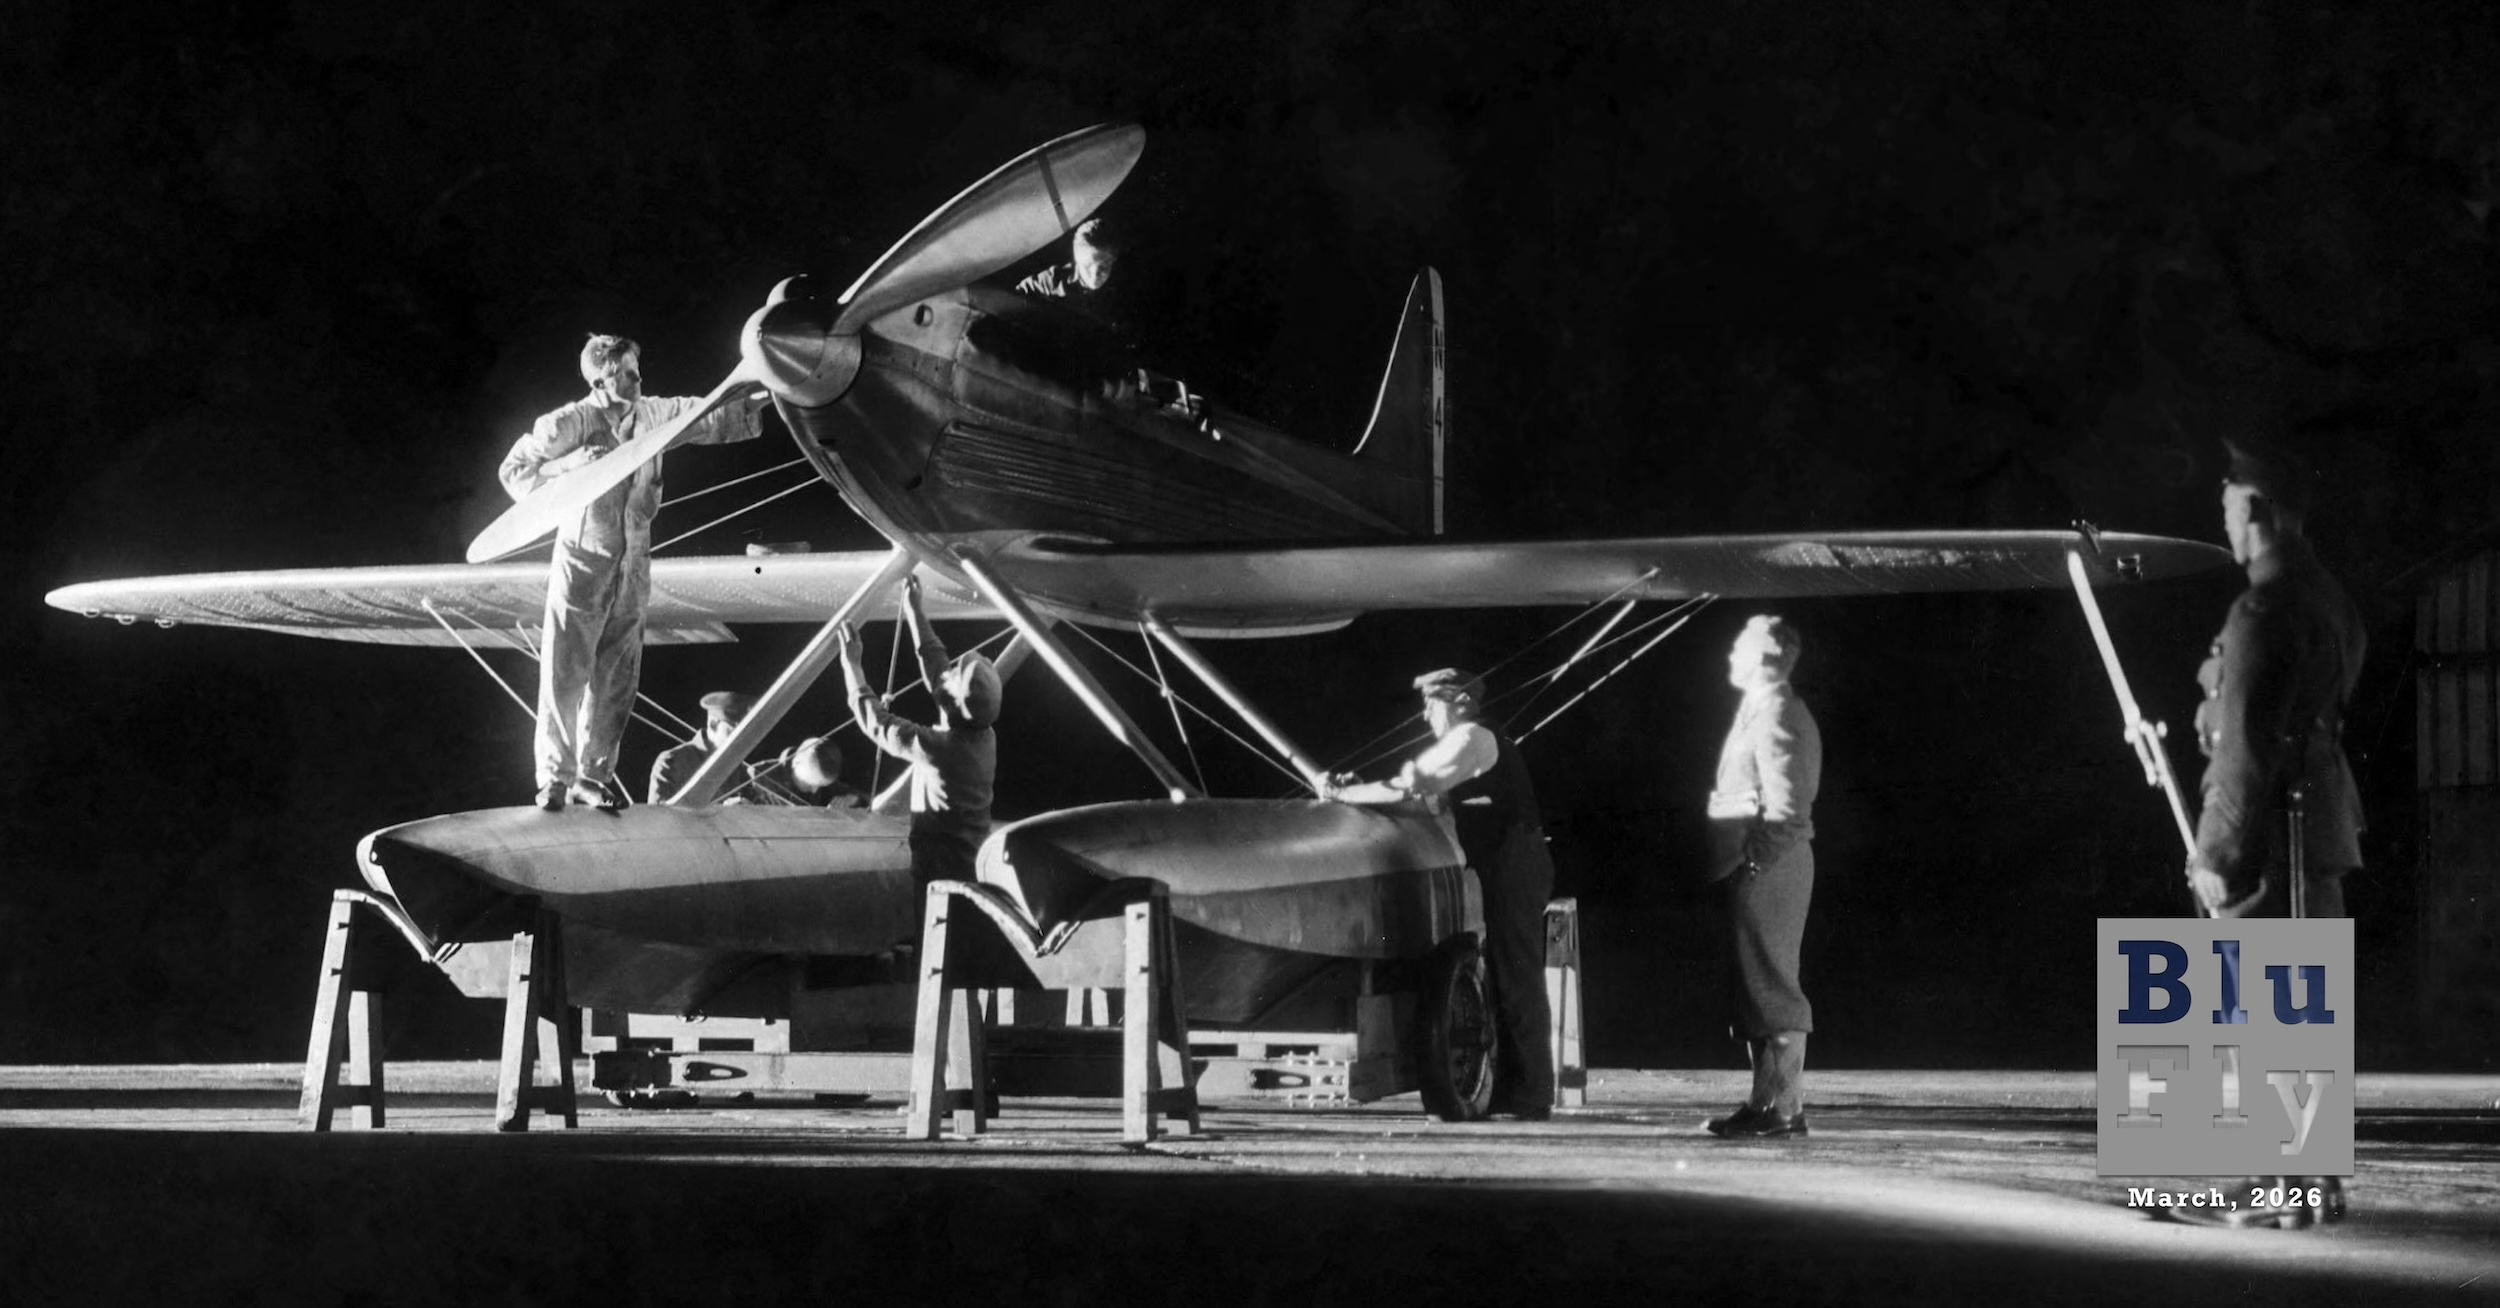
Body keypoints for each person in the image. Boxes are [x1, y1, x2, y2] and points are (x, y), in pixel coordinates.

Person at [2162, 437, 2365, 1231]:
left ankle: (2273, 1185)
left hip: (2270, 836)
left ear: (2256, 511)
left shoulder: (2263, 609)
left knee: (2258, 1012)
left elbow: (2247, 745)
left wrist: (2214, 849)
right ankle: (2312, 1181)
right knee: (2306, 1013)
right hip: (2320, 829)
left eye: (2228, 507)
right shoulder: (2332, 600)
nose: (2225, 520)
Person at [500, 334, 769, 811]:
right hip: (583, 563)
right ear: (600, 380)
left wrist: (767, 390)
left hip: (635, 564)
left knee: (618, 679)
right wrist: (563, 466)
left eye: (638, 371)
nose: (639, 381)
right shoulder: (569, 422)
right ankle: (554, 779)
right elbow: (514, 471)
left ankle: (592, 775)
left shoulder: (653, 415)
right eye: (627, 374)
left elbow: (704, 413)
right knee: (566, 673)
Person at [1331, 669, 1557, 1120]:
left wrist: (1341, 793)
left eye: (1433, 704)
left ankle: (1532, 1093)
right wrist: (1360, 792)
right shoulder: (1473, 741)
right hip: (1508, 863)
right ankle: (1520, 1089)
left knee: (1517, 974)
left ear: (1461, 702)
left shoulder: (1471, 737)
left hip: (1515, 864)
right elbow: (1425, 800)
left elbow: (1415, 786)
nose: (1425, 714)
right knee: (1509, 974)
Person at [1700, 615, 1822, 1140]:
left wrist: (1754, 861)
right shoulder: (1759, 710)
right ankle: (1764, 1103)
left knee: (1773, 987)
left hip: (1772, 865)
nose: (1730, 658)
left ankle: (1788, 1110)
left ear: (1763, 657)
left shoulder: (1778, 714)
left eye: (1738, 649)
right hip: (1756, 864)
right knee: (1754, 992)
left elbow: (1789, 809)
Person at [835, 576, 999, 883]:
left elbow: (877, 723)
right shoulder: (981, 733)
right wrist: (914, 609)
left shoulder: (941, 749)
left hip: (943, 866)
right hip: (969, 857)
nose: (947, 671)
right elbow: (938, 670)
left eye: (954, 674)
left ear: (954, 704)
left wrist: (852, 666)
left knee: (937, 926)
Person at [647, 690, 805, 806]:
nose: (741, 739)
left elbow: (754, 805)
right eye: (734, 730)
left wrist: (748, 808)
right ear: (713, 724)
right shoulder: (672, 760)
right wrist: (720, 812)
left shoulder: (737, 767)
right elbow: (660, 819)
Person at [1014, 217, 1119, 300]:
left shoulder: (1126, 281)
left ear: (1114, 259)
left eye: (1104, 265)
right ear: (1077, 259)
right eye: (1087, 266)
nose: (1095, 274)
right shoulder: (1055, 281)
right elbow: (1018, 294)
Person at [779, 735, 868, 808]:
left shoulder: (820, 779)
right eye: (811, 784)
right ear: (796, 762)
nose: (814, 791)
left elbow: (862, 797)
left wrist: (850, 799)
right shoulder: (766, 780)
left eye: (820, 785)